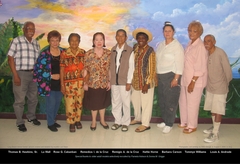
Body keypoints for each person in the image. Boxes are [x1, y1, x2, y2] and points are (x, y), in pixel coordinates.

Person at [7, 21, 41, 132]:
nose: (31, 31)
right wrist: (15, 75)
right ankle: (20, 122)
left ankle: (31, 117)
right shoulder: (17, 41)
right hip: (20, 74)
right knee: (20, 100)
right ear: (24, 29)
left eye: (33, 29)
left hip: (33, 74)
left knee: (33, 98)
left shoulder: (36, 43)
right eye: (28, 28)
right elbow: (10, 58)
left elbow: (38, 61)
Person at [178, 21, 208, 134]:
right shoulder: (190, 43)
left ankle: (192, 125)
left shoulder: (200, 46)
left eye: (194, 31)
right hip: (186, 79)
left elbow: (201, 67)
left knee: (192, 104)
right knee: (183, 102)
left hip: (195, 81)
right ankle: (184, 121)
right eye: (190, 30)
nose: (191, 33)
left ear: (200, 32)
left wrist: (193, 82)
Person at [155, 21, 184, 133]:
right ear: (163, 32)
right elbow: (158, 61)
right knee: (162, 100)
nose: (167, 33)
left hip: (171, 76)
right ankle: (165, 120)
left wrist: (176, 79)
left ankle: (170, 123)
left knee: (171, 101)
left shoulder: (177, 46)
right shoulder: (161, 45)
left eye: (169, 31)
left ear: (173, 32)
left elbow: (180, 64)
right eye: (165, 31)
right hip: (160, 76)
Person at [203, 34, 232, 143]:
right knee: (213, 110)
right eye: (205, 41)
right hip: (210, 87)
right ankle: (214, 127)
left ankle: (215, 134)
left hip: (220, 88)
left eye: (209, 41)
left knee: (218, 110)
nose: (206, 43)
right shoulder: (206, 53)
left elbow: (228, 72)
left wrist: (224, 85)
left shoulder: (220, 53)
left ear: (214, 42)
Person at [33, 30, 64, 132]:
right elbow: (38, 69)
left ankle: (53, 120)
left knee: (57, 103)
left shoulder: (63, 52)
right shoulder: (44, 54)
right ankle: (50, 123)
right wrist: (51, 76)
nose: (55, 42)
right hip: (48, 84)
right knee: (51, 104)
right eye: (52, 40)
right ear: (49, 41)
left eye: (56, 40)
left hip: (61, 84)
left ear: (59, 41)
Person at [130, 28, 157, 133]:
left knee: (146, 103)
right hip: (136, 81)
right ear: (136, 39)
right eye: (139, 38)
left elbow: (152, 68)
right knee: (135, 100)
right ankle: (138, 118)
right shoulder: (135, 48)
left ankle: (145, 124)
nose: (141, 40)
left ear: (147, 40)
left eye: (143, 38)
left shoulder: (150, 51)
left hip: (146, 83)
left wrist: (147, 83)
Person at [83, 32, 111, 131]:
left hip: (104, 82)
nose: (99, 42)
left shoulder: (108, 53)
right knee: (94, 104)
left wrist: (109, 81)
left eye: (101, 39)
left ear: (104, 41)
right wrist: (85, 83)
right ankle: (94, 121)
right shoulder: (88, 53)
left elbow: (110, 69)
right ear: (93, 41)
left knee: (102, 103)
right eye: (96, 39)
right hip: (92, 83)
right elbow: (85, 69)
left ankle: (102, 121)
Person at [60, 33, 85, 133]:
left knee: (79, 103)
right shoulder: (64, 53)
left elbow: (86, 68)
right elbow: (61, 69)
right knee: (70, 104)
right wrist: (62, 84)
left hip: (80, 84)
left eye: (76, 40)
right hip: (68, 84)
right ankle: (71, 122)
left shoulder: (83, 52)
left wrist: (86, 79)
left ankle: (77, 120)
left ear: (79, 41)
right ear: (69, 42)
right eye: (72, 40)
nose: (74, 42)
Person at [110, 29, 134, 132]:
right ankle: (117, 121)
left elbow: (131, 67)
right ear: (115, 37)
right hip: (114, 81)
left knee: (126, 103)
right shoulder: (113, 50)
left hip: (125, 82)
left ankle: (125, 122)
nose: (120, 38)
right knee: (115, 102)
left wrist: (129, 82)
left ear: (126, 38)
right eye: (118, 36)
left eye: (122, 36)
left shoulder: (130, 50)